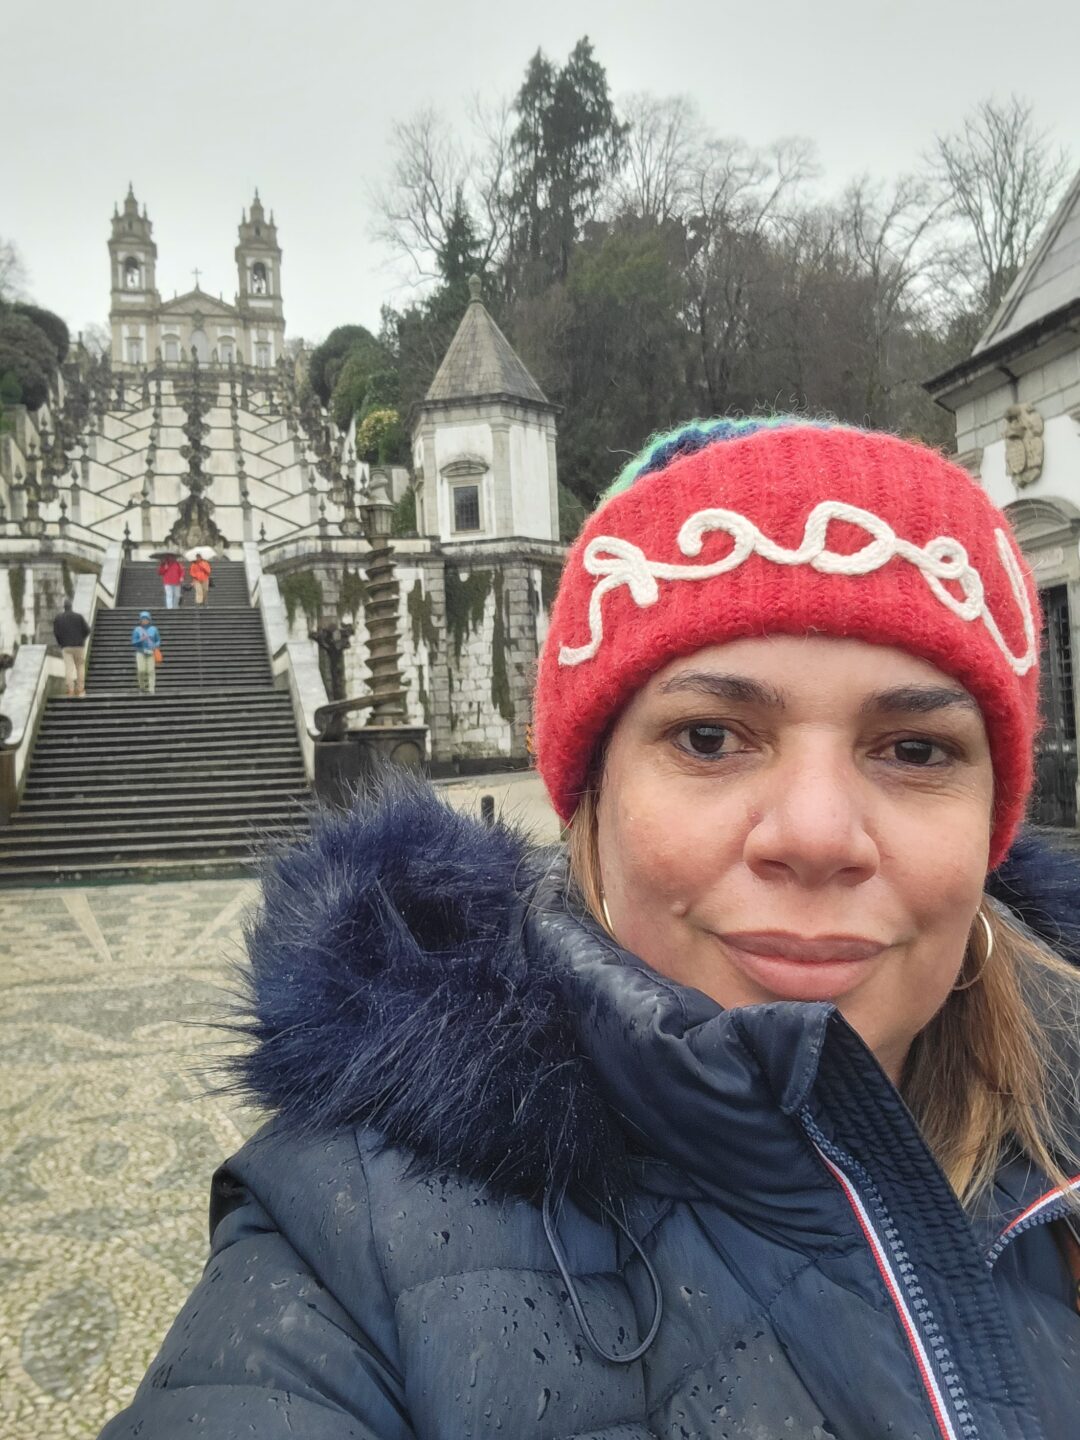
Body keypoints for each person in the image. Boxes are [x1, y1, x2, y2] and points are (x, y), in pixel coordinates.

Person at [100, 419, 1080, 1440]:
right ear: (590, 803)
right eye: (710, 738)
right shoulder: (342, 1259)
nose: (818, 834)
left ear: (993, 820)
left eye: (916, 750)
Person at [53, 598, 90, 697]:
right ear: (71, 606)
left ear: (64, 607)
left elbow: (56, 633)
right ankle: (81, 689)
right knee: (80, 667)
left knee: (69, 668)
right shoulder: (79, 617)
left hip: (66, 647)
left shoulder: (58, 618)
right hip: (79, 646)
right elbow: (87, 630)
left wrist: (61, 642)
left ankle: (70, 690)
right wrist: (82, 639)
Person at [131, 609, 160, 695]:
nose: (144, 620)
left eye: (146, 619)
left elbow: (158, 640)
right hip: (140, 652)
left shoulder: (154, 629)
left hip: (151, 652)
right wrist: (140, 640)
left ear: (149, 619)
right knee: (141, 670)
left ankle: (151, 689)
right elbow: (133, 642)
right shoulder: (137, 630)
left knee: (151, 670)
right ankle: (142, 687)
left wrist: (156, 645)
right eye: (143, 619)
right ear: (140, 620)